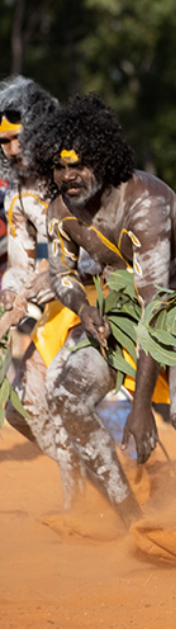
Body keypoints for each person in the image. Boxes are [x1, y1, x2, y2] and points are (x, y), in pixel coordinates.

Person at [29, 95, 176, 525]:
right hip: (120, 314)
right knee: (65, 393)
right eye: (59, 167)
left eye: (78, 164)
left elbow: (155, 310)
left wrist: (140, 409)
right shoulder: (60, 210)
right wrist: (82, 307)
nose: (68, 177)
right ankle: (131, 520)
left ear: (103, 158)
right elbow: (61, 275)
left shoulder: (145, 203)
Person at [0, 76, 60, 450]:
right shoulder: (17, 196)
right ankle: (95, 485)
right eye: (3, 142)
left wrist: (37, 288)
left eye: (17, 137)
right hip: (57, 312)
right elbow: (21, 263)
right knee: (20, 410)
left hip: (99, 303)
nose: (11, 149)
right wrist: (11, 297)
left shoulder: (72, 176)